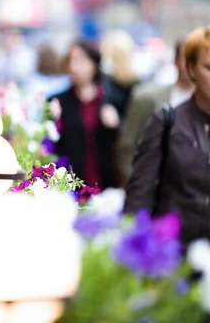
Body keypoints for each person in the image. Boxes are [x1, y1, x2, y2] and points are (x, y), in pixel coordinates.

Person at [125, 26, 210, 252]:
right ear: (191, 69)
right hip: (174, 255)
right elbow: (139, 193)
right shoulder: (166, 121)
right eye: (208, 67)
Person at [118, 39, 194, 181]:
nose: (191, 65)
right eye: (187, 57)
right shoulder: (147, 99)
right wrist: (139, 186)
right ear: (175, 61)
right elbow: (127, 146)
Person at [49, 40, 120, 190]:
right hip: (71, 186)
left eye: (81, 60)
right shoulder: (58, 102)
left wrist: (116, 124)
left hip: (107, 185)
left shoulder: (112, 99)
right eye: (71, 61)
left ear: (94, 63)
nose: (74, 67)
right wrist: (51, 120)